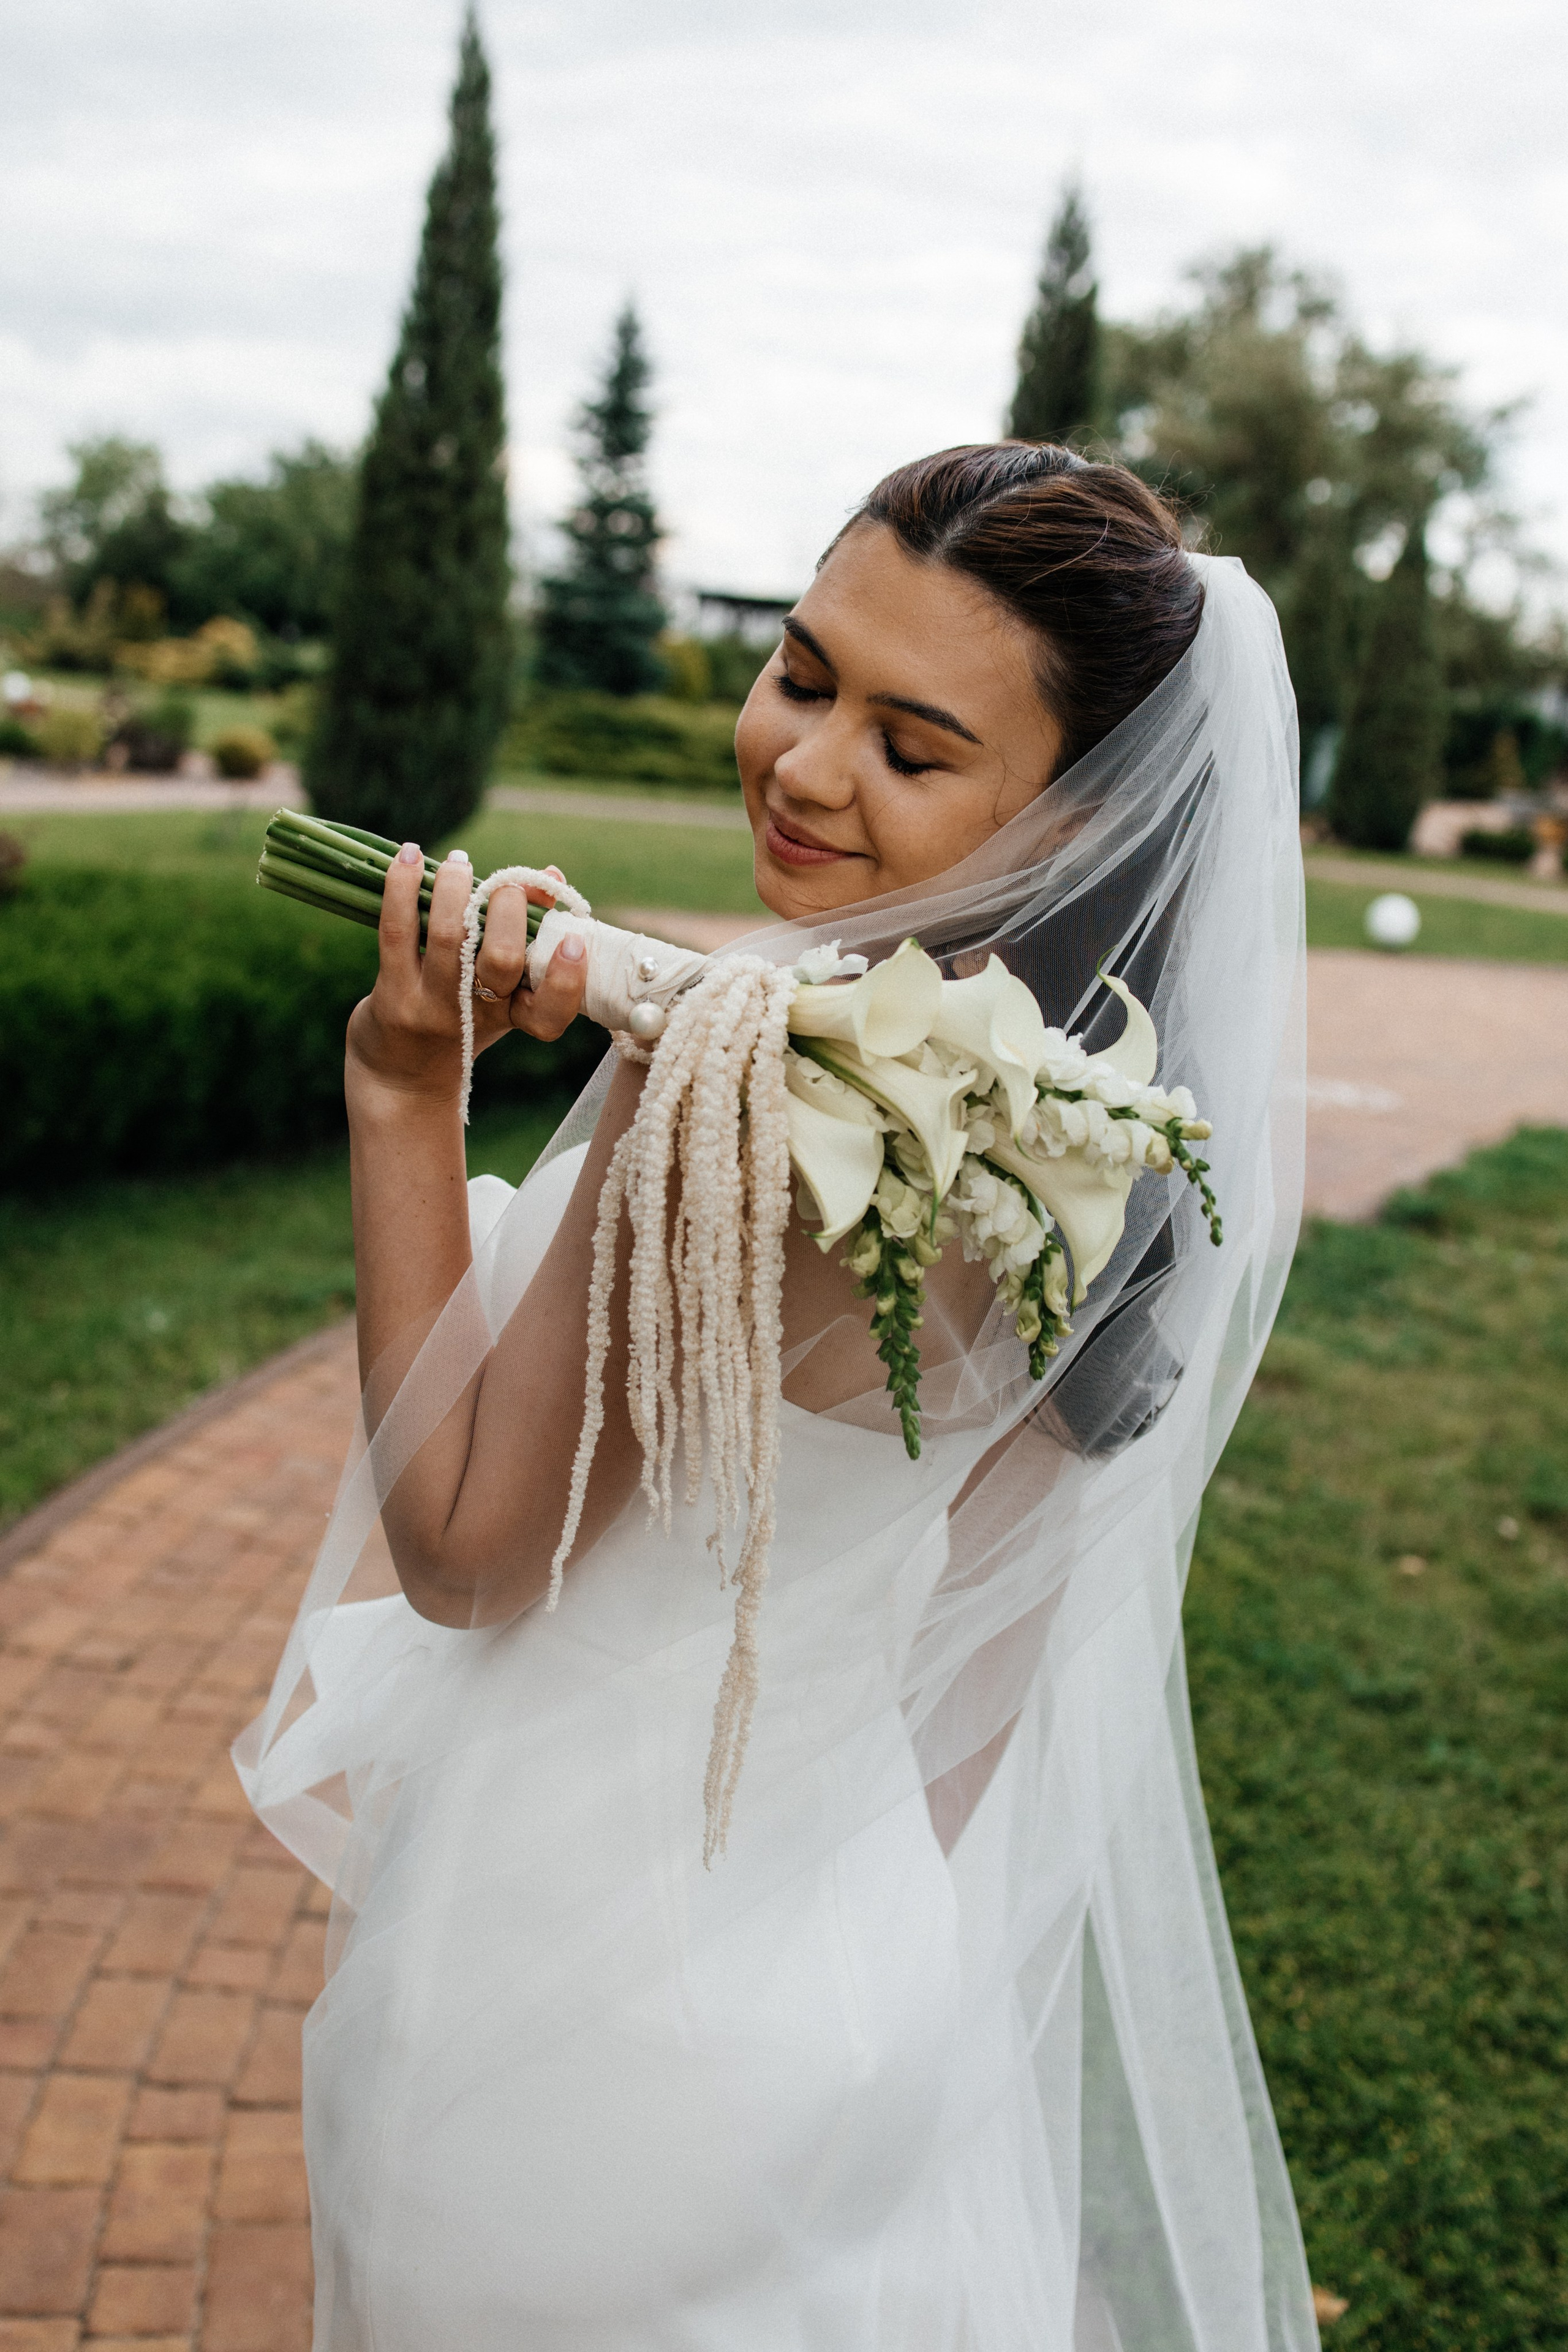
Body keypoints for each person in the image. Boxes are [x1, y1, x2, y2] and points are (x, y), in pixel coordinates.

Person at [237, 443, 1316, 2351]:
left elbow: (467, 1553)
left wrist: (402, 1092)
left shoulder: (742, 1077)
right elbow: (976, 1693)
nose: (807, 766)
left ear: (1073, 823)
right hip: (856, 1974)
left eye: (913, 747)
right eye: (804, 675)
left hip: (580, 1995)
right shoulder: (1081, 1132)